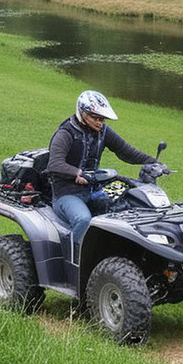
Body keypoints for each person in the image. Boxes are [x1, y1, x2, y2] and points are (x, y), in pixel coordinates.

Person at [48, 90, 157, 258]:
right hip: (66, 193)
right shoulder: (66, 133)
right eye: (96, 118)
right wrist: (76, 173)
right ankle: (69, 259)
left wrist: (153, 162)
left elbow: (126, 151)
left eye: (102, 119)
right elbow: (54, 164)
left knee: (125, 208)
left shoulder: (103, 131)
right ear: (83, 113)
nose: (100, 123)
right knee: (83, 219)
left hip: (92, 189)